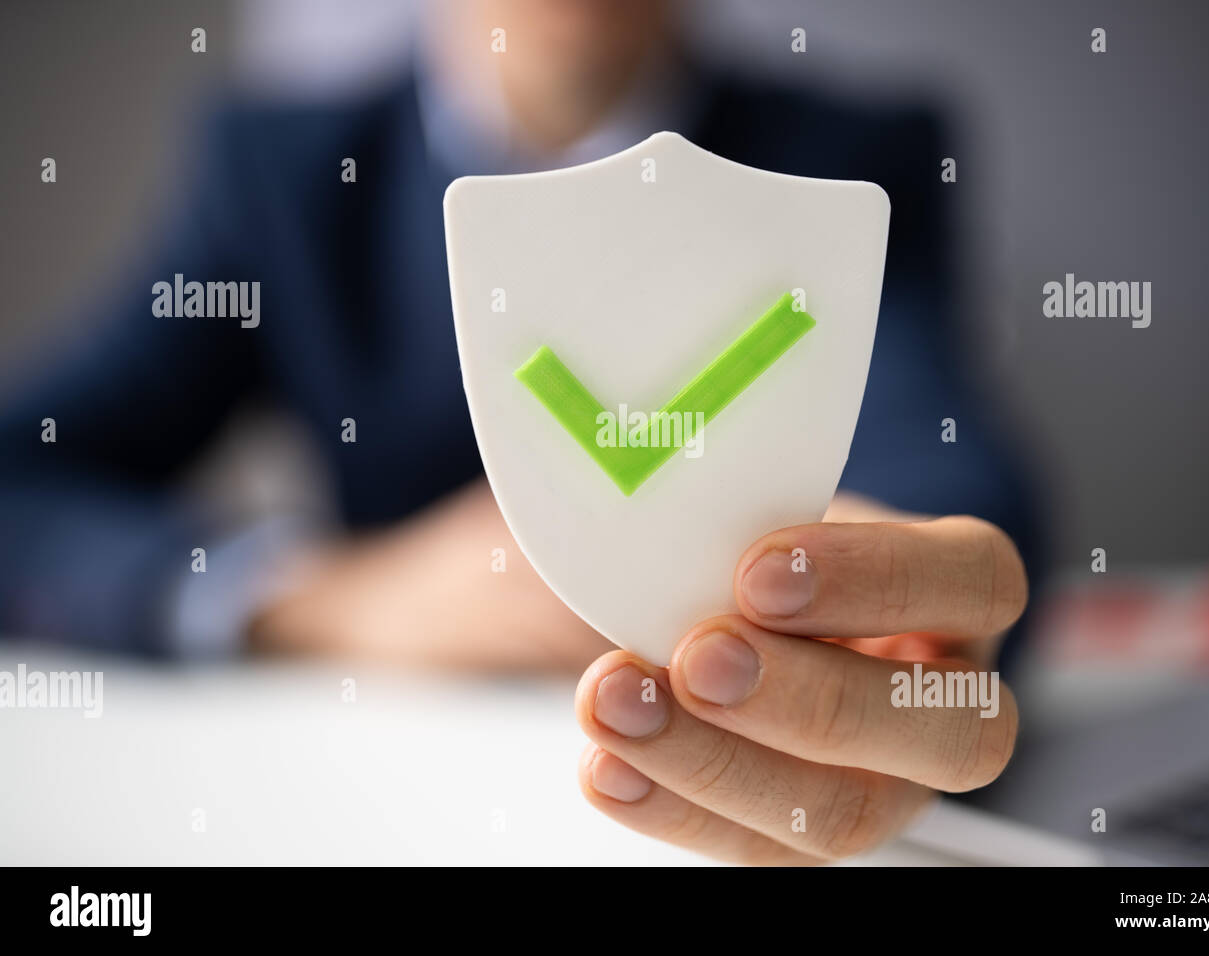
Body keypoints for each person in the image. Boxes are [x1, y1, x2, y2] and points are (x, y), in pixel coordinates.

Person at [0, 0, 1037, 863]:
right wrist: (322, 597)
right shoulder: (279, 172)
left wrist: (910, 628)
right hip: (364, 808)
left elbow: (938, 468)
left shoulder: (845, 158)